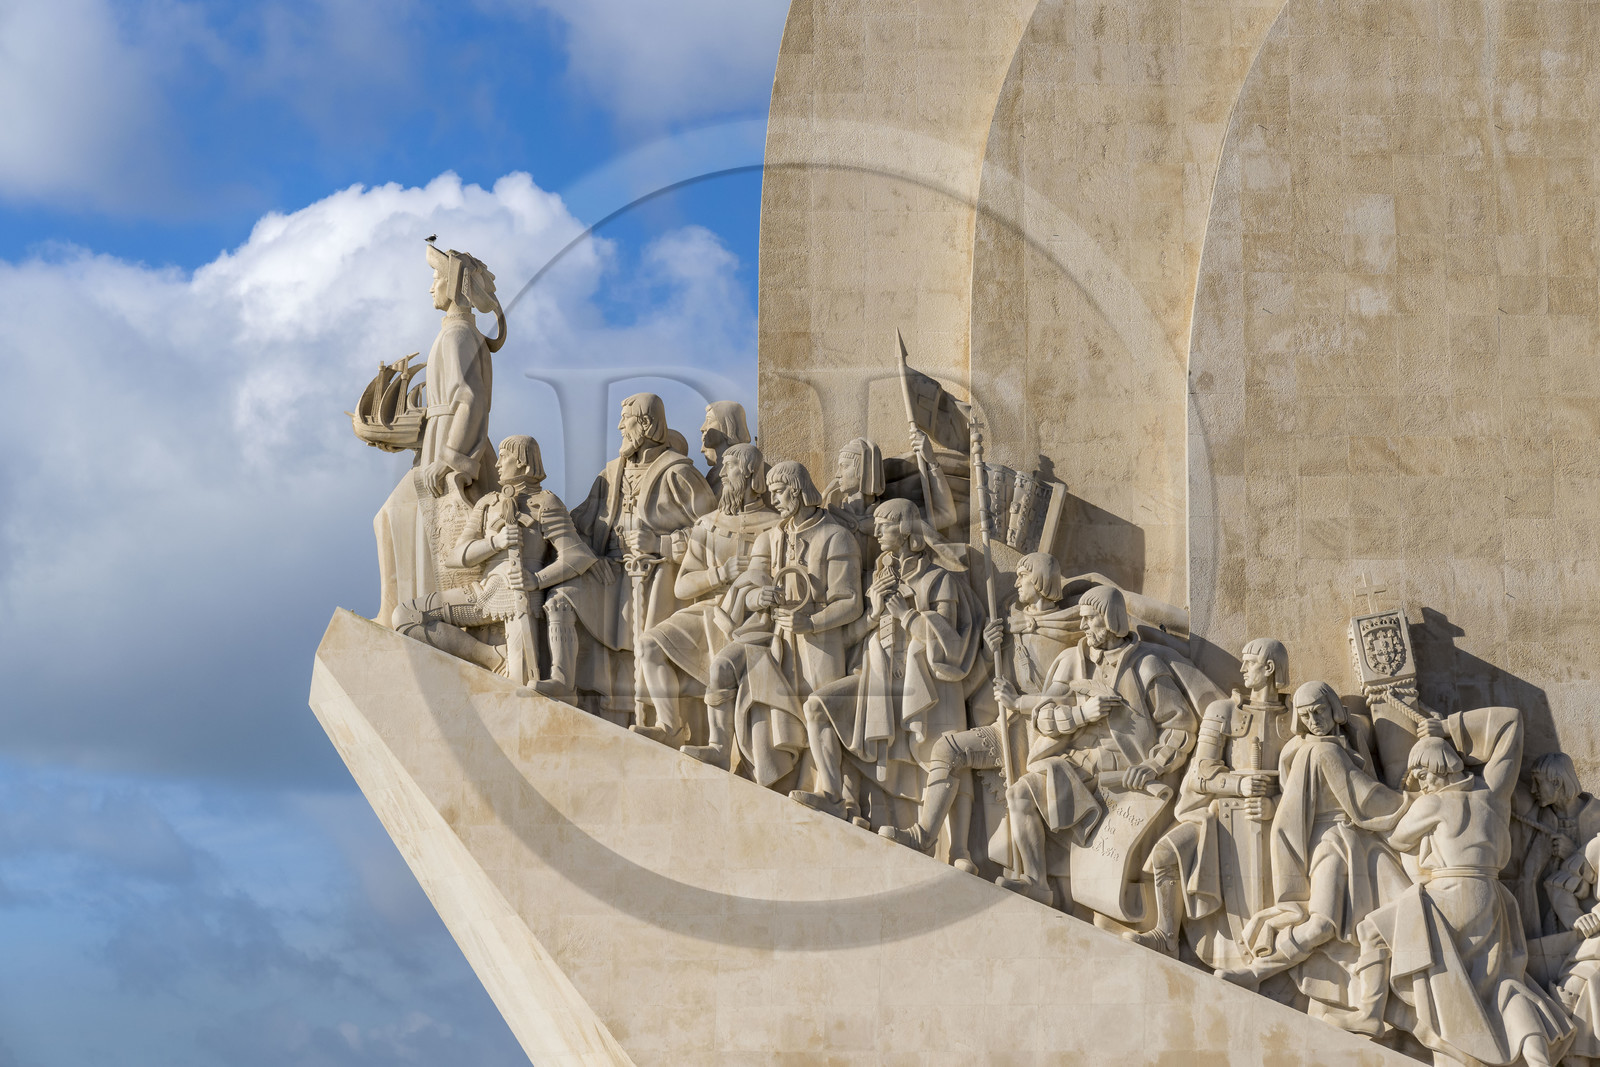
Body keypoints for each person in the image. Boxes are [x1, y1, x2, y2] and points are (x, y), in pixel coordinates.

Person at [1350, 707, 1574, 1065]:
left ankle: (1369, 1014)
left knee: (1372, 931)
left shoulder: (1433, 803)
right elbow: (1512, 722)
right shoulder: (1493, 795)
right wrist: (1450, 726)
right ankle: (1534, 1057)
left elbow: (1397, 838)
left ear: (1433, 769)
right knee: (1495, 986)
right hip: (1494, 901)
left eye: (1421, 773)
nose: (1420, 781)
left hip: (1452, 897)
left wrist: (1403, 798)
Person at [1215, 681, 1407, 1029]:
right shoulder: (1319, 751)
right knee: (1322, 923)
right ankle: (1257, 972)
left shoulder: (1352, 736)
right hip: (1331, 841)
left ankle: (1371, 1012)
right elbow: (1365, 799)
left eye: (1318, 710)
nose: (1314, 720)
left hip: (1364, 845)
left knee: (1386, 922)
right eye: (1305, 715)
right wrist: (1414, 803)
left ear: (1333, 706)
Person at [990, 584, 1198, 906]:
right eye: (1082, 619)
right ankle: (1036, 883)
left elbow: (1180, 726)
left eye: (1090, 619)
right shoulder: (1073, 660)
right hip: (1077, 761)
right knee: (1019, 793)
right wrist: (1081, 714)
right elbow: (1045, 716)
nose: (1083, 626)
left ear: (1111, 620)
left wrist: (1151, 765)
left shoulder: (1145, 666)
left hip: (1120, 767)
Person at [878, 552, 1076, 873]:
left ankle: (1029, 877)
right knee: (947, 748)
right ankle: (926, 834)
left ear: (1039, 581)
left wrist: (1021, 702)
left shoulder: (1069, 632)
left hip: (1044, 735)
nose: (1016, 582)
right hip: (1007, 730)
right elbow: (973, 689)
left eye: (1023, 576)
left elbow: (1070, 695)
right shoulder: (1010, 626)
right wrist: (987, 652)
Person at [794, 499, 982, 835]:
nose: (876, 531)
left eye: (886, 524)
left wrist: (906, 615)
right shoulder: (878, 578)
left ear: (907, 529)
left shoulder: (939, 580)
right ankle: (833, 795)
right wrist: (873, 612)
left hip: (923, 688)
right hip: (875, 681)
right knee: (818, 707)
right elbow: (851, 638)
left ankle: (947, 842)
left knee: (940, 758)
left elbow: (950, 644)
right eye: (877, 524)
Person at [684, 461, 862, 789]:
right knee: (722, 665)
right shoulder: (769, 538)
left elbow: (850, 602)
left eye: (779, 492)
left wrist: (811, 622)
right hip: (771, 637)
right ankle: (720, 748)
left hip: (817, 642)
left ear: (796, 489)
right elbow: (750, 591)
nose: (774, 499)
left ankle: (832, 793)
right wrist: (759, 598)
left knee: (818, 716)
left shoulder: (836, 538)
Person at [1127, 638, 1295, 963]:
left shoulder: (1296, 718)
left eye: (1250, 662)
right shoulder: (1223, 712)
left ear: (1269, 668)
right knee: (1164, 854)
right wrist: (1240, 783)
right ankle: (1166, 935)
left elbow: (1307, 778)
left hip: (1277, 822)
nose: (1242, 668)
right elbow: (1201, 774)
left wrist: (1276, 804)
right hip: (1215, 818)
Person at [547, 393, 713, 721]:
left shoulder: (678, 473)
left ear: (647, 424)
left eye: (627, 420)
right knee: (559, 599)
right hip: (610, 572)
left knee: (643, 654)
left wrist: (662, 544)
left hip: (657, 579)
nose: (621, 426)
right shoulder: (611, 474)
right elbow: (579, 520)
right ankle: (560, 681)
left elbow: (716, 532)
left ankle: (659, 720)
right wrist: (544, 514)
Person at [392, 436, 594, 688]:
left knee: (520, 685)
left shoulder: (545, 503)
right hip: (483, 592)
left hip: (520, 597)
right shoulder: (488, 504)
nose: (498, 464)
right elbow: (457, 557)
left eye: (505, 457)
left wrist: (537, 580)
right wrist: (495, 543)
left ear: (522, 462)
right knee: (406, 616)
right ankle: (493, 657)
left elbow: (578, 556)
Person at [375, 243, 505, 626]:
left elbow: (470, 399)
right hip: (440, 436)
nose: (431, 288)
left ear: (453, 284)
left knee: (393, 515)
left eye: (435, 279)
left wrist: (452, 458)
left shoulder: (458, 335)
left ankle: (403, 611)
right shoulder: (456, 333)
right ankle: (398, 608)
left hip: (453, 443)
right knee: (395, 516)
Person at [633, 443, 780, 747]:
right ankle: (670, 726)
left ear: (751, 472)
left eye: (731, 466)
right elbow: (683, 586)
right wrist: (720, 574)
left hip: (752, 619)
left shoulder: (776, 525)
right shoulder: (708, 524)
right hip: (710, 610)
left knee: (723, 670)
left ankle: (720, 746)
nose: (723, 473)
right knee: (649, 645)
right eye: (723, 465)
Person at [1509, 752, 1600, 938]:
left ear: (1556, 783)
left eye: (1538, 782)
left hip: (1591, 918)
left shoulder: (1597, 814)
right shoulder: (1540, 818)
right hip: (1552, 922)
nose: (1533, 790)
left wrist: (1572, 852)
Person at [699, 401, 751, 496]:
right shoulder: (714, 472)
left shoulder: (741, 469)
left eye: (709, 421)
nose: (703, 428)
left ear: (729, 425)